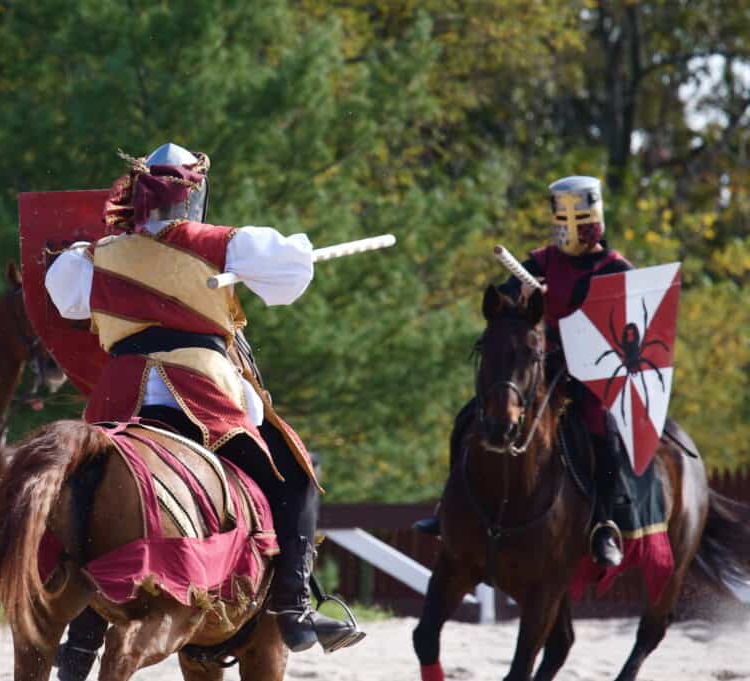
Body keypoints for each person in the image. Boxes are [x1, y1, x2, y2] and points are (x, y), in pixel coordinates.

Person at [45, 143, 363, 680]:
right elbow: (290, 278)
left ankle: (82, 635)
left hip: (118, 399)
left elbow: (66, 299)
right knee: (295, 473)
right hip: (200, 393)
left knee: (87, 492)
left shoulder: (95, 255)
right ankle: (292, 606)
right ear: (193, 197)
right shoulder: (223, 244)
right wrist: (298, 256)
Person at [414, 176, 632, 568]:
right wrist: (522, 295)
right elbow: (504, 301)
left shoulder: (615, 269)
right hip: (535, 369)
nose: (570, 230)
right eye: (564, 221)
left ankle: (603, 524)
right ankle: (449, 507)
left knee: (605, 432)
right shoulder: (541, 262)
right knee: (469, 417)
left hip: (588, 373)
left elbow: (625, 328)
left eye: (578, 221)